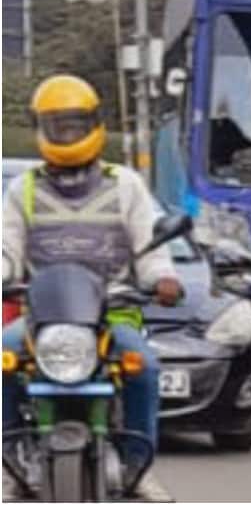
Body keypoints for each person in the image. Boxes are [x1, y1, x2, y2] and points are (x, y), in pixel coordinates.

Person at [2, 75, 182, 482]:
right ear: (41, 130)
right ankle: (11, 462)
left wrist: (163, 278)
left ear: (94, 124)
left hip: (113, 314)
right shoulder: (22, 190)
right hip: (42, 318)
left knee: (145, 366)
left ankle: (138, 466)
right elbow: (7, 251)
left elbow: (150, 245)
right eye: (57, 125)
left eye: (75, 124)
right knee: (3, 360)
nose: (67, 134)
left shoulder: (127, 185)